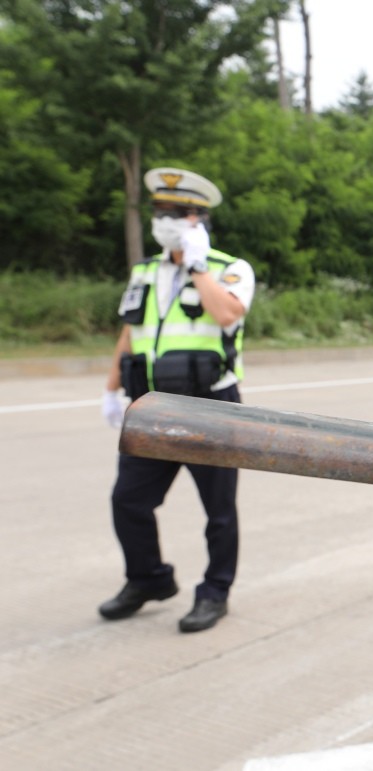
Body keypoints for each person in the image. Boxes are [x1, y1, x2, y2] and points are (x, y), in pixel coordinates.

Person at [98, 167, 255, 633]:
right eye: (158, 212)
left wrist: (198, 266)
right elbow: (129, 332)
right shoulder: (145, 270)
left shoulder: (231, 268)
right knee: (128, 500)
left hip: (211, 405)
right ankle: (147, 579)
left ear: (199, 219)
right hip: (153, 407)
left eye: (175, 213)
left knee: (219, 511)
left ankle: (214, 592)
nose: (163, 220)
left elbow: (227, 313)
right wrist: (110, 390)